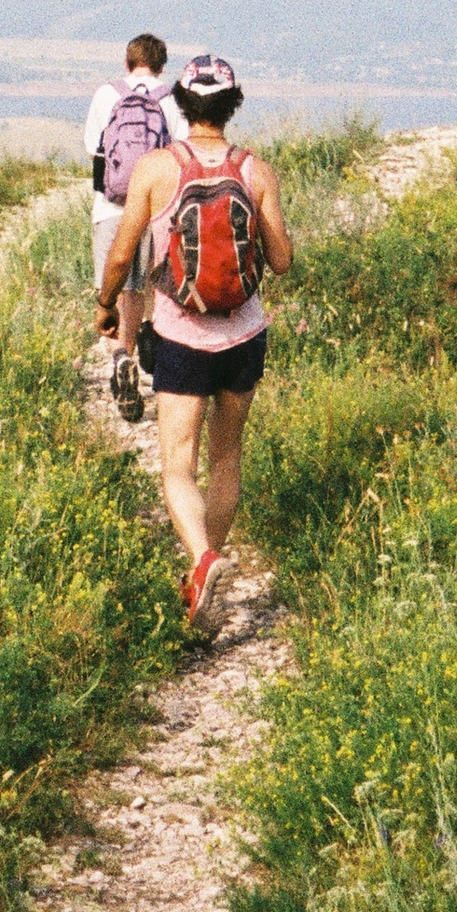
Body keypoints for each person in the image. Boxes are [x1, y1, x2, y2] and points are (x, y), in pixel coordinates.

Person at [94, 52, 293, 639]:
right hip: (243, 335)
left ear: (180, 103)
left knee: (177, 467)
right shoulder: (256, 170)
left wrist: (106, 306)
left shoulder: (158, 168)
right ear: (232, 106)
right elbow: (281, 261)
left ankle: (203, 562)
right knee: (226, 456)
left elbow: (124, 252)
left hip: (181, 335)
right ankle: (208, 565)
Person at [82, 33, 176, 417]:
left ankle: (121, 354)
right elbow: (179, 152)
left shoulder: (107, 94)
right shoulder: (171, 98)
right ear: (161, 64)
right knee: (147, 284)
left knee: (117, 286)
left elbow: (94, 146)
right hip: (154, 207)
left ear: (127, 62)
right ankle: (148, 341)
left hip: (110, 206)